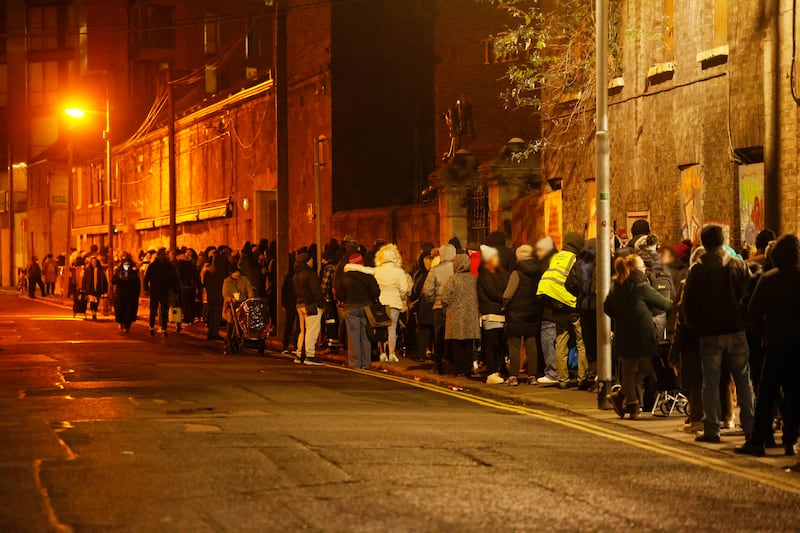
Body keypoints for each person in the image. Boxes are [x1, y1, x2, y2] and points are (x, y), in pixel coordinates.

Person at [683, 225, 754, 444]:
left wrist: (696, 328)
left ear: (704, 243)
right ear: (723, 241)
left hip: (710, 333)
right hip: (736, 330)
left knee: (711, 382)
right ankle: (750, 427)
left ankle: (712, 428)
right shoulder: (738, 265)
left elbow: (688, 305)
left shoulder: (696, 270)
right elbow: (750, 295)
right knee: (743, 380)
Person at [737, 234, 800, 457]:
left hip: (774, 344)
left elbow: (752, 313)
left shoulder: (769, 279)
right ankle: (791, 440)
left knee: (766, 394)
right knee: (794, 394)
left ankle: (758, 440)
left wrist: (762, 332)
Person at [604, 255, 672, 419]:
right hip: (642, 335)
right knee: (645, 369)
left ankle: (622, 396)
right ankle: (632, 406)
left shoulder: (616, 286)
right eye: (642, 267)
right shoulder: (641, 287)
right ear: (635, 270)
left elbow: (607, 307)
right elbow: (664, 304)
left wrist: (621, 317)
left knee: (630, 372)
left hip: (624, 334)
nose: (644, 269)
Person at [537, 232, 588, 389]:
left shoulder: (556, 257)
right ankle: (582, 378)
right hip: (570, 304)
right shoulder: (575, 259)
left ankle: (562, 379)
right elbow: (578, 282)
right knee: (581, 342)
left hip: (555, 305)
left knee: (561, 343)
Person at [503, 244, 545, 386]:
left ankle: (513, 376)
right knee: (531, 342)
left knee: (514, 344)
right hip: (533, 310)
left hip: (516, 311)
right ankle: (532, 375)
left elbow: (509, 292)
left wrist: (505, 303)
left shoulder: (517, 271)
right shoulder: (539, 270)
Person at [338, 253, 380, 369]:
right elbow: (376, 292)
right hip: (366, 307)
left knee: (353, 336)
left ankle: (354, 363)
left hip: (350, 308)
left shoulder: (344, 277)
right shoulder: (368, 276)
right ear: (361, 263)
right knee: (366, 335)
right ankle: (366, 363)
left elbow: (340, 295)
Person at [441, 254, 481, 377]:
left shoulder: (453, 279)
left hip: (456, 315)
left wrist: (444, 307)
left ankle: (459, 369)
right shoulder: (474, 278)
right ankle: (468, 368)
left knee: (457, 344)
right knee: (469, 343)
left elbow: (445, 298)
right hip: (471, 314)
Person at [477, 245, 509, 384]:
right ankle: (492, 371)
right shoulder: (489, 273)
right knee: (493, 343)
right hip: (494, 312)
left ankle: (495, 370)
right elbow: (492, 291)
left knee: (496, 344)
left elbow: (492, 290)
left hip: (496, 312)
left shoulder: (493, 272)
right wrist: (504, 299)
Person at [423, 243, 456, 374]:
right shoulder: (457, 268)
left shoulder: (435, 270)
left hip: (438, 306)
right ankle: (452, 363)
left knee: (439, 336)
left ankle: (438, 365)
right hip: (454, 307)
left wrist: (433, 300)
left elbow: (427, 290)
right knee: (453, 335)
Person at [373, 244, 409, 362]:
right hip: (394, 302)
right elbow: (404, 289)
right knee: (392, 329)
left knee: (380, 328)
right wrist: (401, 296)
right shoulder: (399, 272)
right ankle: (392, 353)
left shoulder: (376, 271)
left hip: (380, 303)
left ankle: (382, 353)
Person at [292, 252, 325, 365]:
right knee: (312, 330)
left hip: (299, 304)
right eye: (310, 260)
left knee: (303, 330)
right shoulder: (310, 274)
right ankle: (310, 355)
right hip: (311, 305)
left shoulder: (296, 275)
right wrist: (321, 303)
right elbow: (316, 291)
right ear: (306, 261)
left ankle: (299, 353)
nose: (312, 261)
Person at [534, 237, 559, 386]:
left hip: (548, 310)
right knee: (559, 343)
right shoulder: (558, 260)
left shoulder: (545, 265)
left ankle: (552, 372)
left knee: (548, 341)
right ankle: (558, 372)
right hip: (562, 307)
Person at [144, 248, 179, 337]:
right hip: (155, 290)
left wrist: (175, 289)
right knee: (153, 310)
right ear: (158, 255)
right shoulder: (153, 266)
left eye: (164, 255)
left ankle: (164, 329)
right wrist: (146, 289)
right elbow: (146, 278)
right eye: (161, 255)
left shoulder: (168, 266)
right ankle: (151, 328)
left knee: (164, 310)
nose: (162, 256)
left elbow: (173, 278)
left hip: (164, 290)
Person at [222, 265, 255, 350]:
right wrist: (231, 299)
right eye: (235, 272)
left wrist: (250, 297)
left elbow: (249, 289)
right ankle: (229, 338)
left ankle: (243, 335)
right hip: (232, 304)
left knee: (244, 318)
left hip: (243, 303)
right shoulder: (227, 282)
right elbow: (225, 295)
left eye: (237, 272)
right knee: (231, 319)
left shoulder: (243, 280)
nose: (237, 274)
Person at [411, 252, 434, 362]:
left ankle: (421, 355)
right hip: (435, 306)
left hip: (424, 306)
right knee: (435, 332)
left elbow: (416, 290)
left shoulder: (422, 275)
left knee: (423, 331)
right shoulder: (437, 273)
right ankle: (435, 355)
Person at [112, 256, 141, 332]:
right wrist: (120, 279)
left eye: (128, 264)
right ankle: (120, 322)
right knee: (120, 310)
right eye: (125, 264)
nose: (126, 266)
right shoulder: (119, 271)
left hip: (130, 295)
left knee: (129, 311)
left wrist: (137, 293)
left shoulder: (133, 272)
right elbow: (113, 281)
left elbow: (137, 283)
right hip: (121, 294)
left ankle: (127, 326)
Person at [202, 254, 226, 340]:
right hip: (218, 296)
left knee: (211, 314)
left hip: (210, 295)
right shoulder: (219, 272)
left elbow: (205, 284)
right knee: (216, 315)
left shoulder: (208, 271)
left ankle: (210, 332)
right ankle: (214, 332)